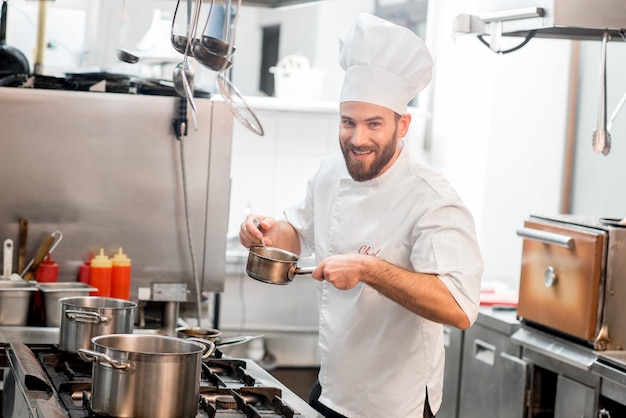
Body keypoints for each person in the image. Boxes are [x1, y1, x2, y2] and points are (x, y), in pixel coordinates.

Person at [239, 12, 483, 418]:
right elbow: (294, 234)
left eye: (374, 124)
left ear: (402, 124)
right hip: (333, 386)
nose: (358, 138)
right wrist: (263, 231)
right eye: (348, 122)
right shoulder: (330, 171)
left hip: (394, 403)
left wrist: (370, 269)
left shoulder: (433, 199)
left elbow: (460, 308)